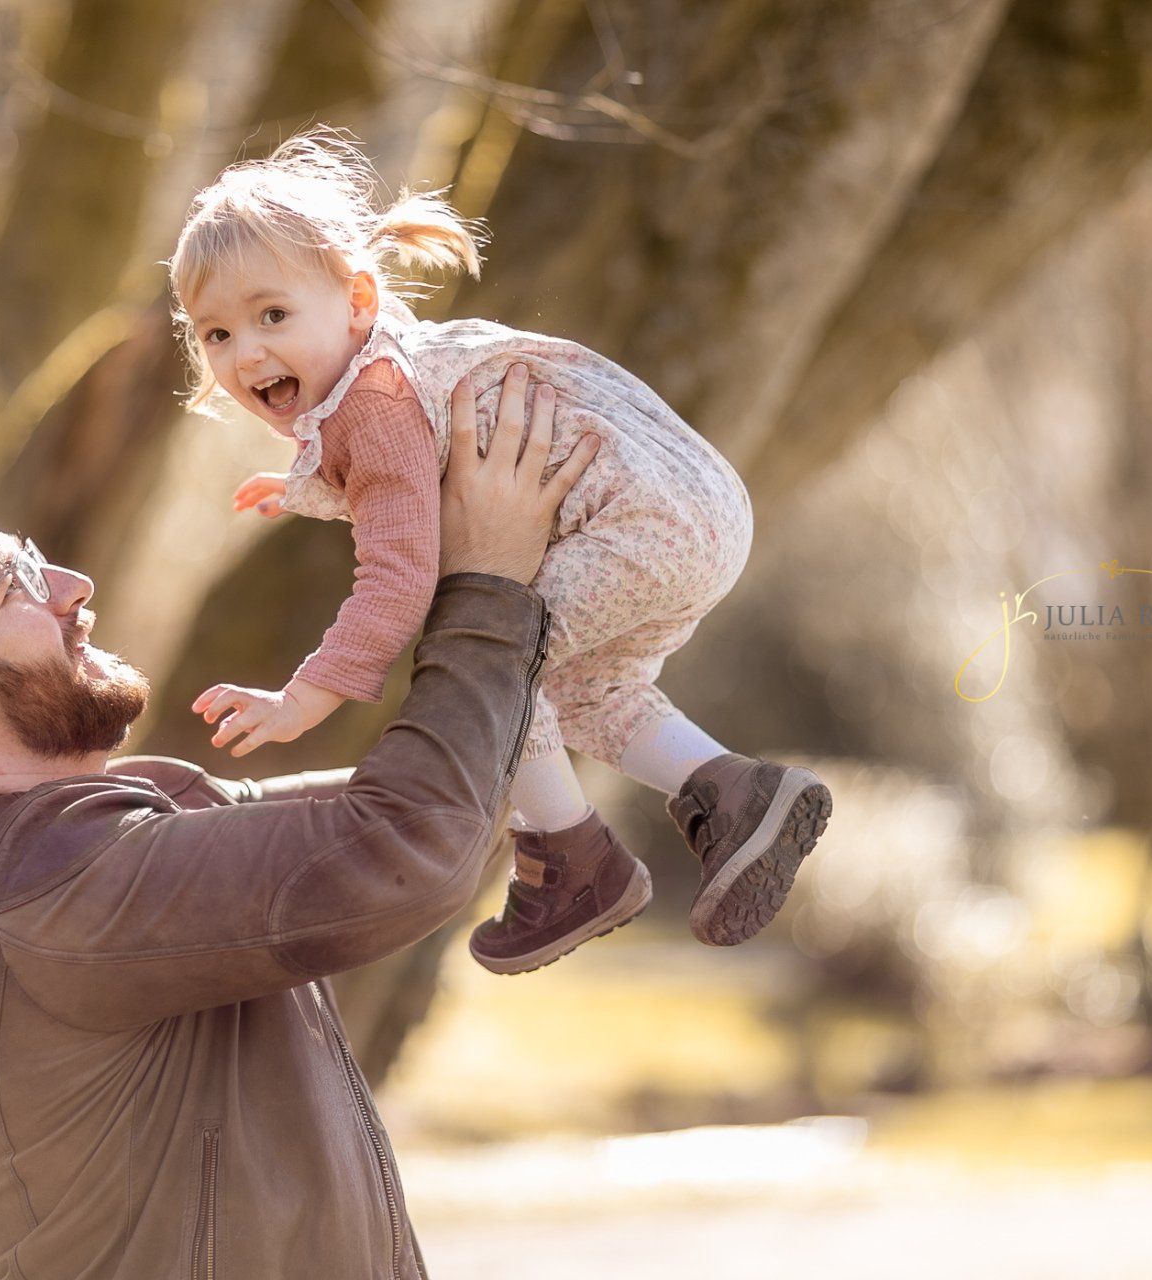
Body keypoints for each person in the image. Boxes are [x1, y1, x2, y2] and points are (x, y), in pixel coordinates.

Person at [0, 377, 592, 1278]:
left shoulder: (83, 831)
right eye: (19, 586)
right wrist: (489, 586)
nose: (75, 587)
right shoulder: (42, 881)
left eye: (37, 558)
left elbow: (413, 804)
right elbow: (411, 844)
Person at [169, 127, 832, 976]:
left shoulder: (372, 406)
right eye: (216, 333)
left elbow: (399, 576)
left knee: (488, 665)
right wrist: (304, 489)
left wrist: (306, 698)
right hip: (690, 514)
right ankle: (735, 791)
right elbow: (407, 481)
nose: (246, 350)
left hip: (635, 523)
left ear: (359, 302)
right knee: (576, 685)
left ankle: (572, 862)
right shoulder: (391, 373)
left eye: (272, 314)